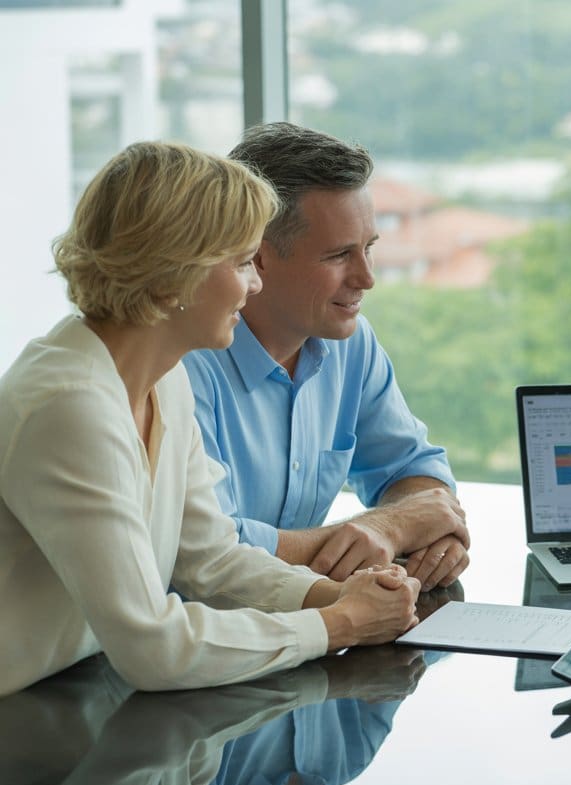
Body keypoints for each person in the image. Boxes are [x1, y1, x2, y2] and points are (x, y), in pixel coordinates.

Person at [0, 141, 422, 698]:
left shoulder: (161, 379)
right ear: (175, 273)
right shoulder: (70, 404)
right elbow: (152, 647)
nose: (255, 285)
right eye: (243, 262)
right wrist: (339, 624)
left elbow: (211, 560)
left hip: (73, 693)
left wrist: (334, 594)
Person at [182, 122, 469, 591]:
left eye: (368, 249)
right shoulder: (182, 361)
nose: (367, 278)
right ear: (256, 257)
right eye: (339, 255)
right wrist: (391, 528)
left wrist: (428, 529)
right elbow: (213, 553)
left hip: (305, 626)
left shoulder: (349, 342)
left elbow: (413, 471)